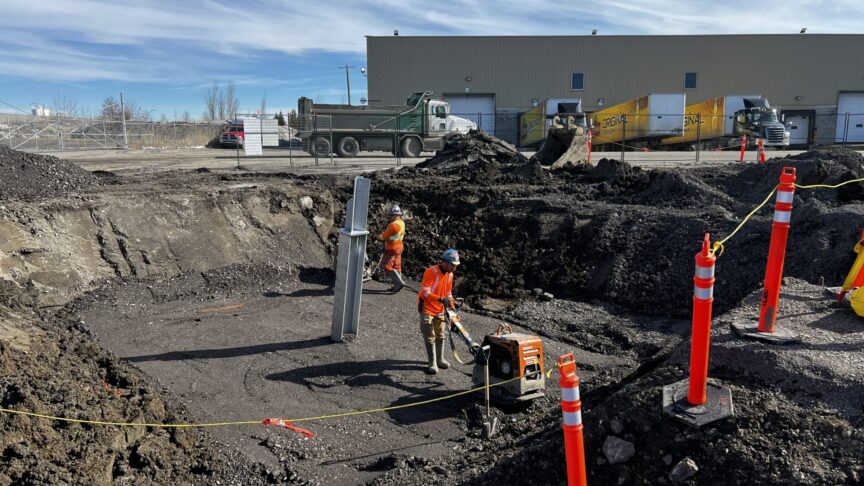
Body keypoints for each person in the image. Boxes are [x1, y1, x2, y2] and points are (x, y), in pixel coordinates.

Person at [417, 249, 460, 374]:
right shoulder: (432, 272)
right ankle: (432, 362)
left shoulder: (450, 275)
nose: (454, 268)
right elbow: (425, 291)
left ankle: (440, 359)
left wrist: (452, 305)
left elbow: (448, 293)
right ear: (445, 262)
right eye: (452, 265)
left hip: (440, 309)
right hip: (427, 308)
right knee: (430, 336)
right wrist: (440, 299)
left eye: (456, 265)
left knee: (441, 335)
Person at [376, 204, 406, 292]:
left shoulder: (393, 225)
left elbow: (383, 237)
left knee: (386, 265)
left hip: (391, 248)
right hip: (399, 247)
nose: (390, 217)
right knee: (397, 266)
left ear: (394, 215)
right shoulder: (402, 222)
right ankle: (397, 286)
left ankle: (399, 283)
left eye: (391, 215)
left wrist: (376, 236)